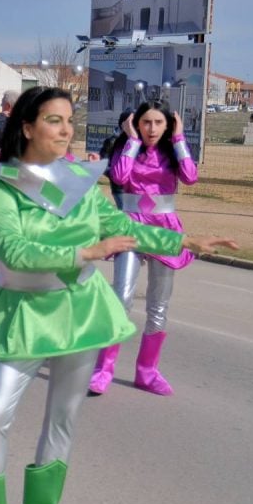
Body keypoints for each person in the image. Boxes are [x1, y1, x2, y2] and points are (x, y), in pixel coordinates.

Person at [0, 87, 236, 504]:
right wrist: (86, 252)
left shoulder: (75, 181)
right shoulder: (1, 186)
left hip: (81, 311)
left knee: (63, 415)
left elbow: (122, 226)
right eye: (54, 120)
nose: (65, 129)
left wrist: (188, 241)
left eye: (68, 121)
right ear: (27, 127)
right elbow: (12, 250)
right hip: (27, 312)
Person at [88, 101, 199, 396]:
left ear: (168, 125)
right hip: (132, 225)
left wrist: (179, 139)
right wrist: (132, 141)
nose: (152, 129)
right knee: (121, 297)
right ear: (137, 124)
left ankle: (147, 372)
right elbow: (120, 177)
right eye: (146, 122)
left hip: (164, 230)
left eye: (158, 123)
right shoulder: (128, 147)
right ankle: (103, 369)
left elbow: (190, 176)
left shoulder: (173, 151)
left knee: (158, 305)